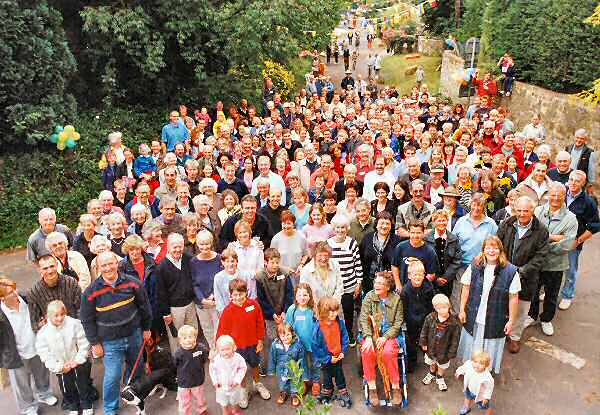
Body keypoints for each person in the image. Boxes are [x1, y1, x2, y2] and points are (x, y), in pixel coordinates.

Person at [79, 251, 152, 415]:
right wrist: (95, 343)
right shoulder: (90, 292)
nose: (108, 268)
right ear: (98, 268)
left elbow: (144, 307)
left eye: (111, 263)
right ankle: (110, 409)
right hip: (110, 342)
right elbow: (86, 320)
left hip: (134, 335)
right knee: (112, 376)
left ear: (117, 264)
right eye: (103, 265)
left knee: (136, 370)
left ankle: (133, 397)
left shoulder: (133, 283)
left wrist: (146, 329)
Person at [457, 236, 520, 374]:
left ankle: (485, 372)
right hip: (474, 315)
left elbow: (513, 298)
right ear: (483, 250)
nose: (492, 251)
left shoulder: (510, 271)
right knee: (472, 344)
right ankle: (469, 369)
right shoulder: (475, 265)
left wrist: (511, 321)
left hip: (495, 318)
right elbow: (466, 288)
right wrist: (462, 309)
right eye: (488, 248)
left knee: (489, 345)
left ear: (500, 250)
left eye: (495, 248)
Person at [496, 196, 549, 353]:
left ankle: (515, 338)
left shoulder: (541, 230)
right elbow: (497, 245)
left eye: (526, 211)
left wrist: (522, 271)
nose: (522, 214)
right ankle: (500, 333)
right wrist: (504, 267)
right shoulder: (507, 223)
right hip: (504, 273)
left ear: (533, 210)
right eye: (519, 210)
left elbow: (541, 256)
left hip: (527, 278)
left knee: (520, 309)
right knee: (501, 306)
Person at [0, 277, 59, 415]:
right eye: (10, 293)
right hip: (16, 354)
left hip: (36, 346)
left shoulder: (26, 299)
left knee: (42, 374)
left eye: (14, 289)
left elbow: (39, 315)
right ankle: (28, 407)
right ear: (2, 298)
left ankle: (44, 394)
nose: (15, 293)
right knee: (21, 384)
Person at [526, 183, 577, 336]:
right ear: (548, 195)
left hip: (556, 265)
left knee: (551, 295)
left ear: (564, 196)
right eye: (552, 195)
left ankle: (546, 319)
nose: (555, 198)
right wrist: (554, 237)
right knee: (533, 292)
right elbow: (530, 233)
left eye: (559, 195)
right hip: (536, 264)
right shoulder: (538, 211)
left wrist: (542, 243)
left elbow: (567, 244)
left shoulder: (570, 219)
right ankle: (531, 315)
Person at [216, 278, 271, 408]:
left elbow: (260, 323)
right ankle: (243, 390)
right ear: (230, 295)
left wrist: (260, 340)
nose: (238, 297)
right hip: (236, 348)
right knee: (239, 369)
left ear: (246, 292)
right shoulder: (227, 311)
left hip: (253, 344)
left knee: (255, 364)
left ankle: (257, 383)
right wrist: (218, 348)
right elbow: (222, 331)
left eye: (241, 294)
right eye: (235, 295)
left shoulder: (254, 305)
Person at [35, 300, 94, 415]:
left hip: (77, 361)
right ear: (48, 316)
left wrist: (78, 360)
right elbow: (44, 353)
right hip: (61, 365)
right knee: (66, 386)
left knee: (83, 383)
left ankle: (86, 402)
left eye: (62, 314)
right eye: (56, 316)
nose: (60, 318)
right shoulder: (43, 333)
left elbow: (84, 343)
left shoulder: (74, 324)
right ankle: (72, 405)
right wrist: (58, 366)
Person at [359, 272, 404, 406]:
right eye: (376, 282)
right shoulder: (369, 296)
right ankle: (372, 388)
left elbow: (398, 323)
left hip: (390, 334)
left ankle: (396, 387)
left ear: (388, 287)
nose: (376, 285)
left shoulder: (396, 299)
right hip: (372, 333)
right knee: (367, 351)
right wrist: (367, 337)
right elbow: (363, 318)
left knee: (387, 353)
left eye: (380, 283)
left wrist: (385, 337)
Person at [560, 170, 600, 310]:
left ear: (583, 183)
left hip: (573, 243)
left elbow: (595, 225)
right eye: (571, 179)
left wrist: (578, 241)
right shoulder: (561, 194)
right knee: (553, 267)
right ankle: (550, 290)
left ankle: (567, 295)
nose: (573, 183)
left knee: (570, 270)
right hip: (556, 240)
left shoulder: (589, 202)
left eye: (577, 181)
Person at [156, 233, 199, 353]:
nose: (178, 249)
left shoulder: (188, 258)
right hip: (174, 309)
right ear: (168, 247)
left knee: (193, 332)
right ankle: (178, 363)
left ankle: (194, 358)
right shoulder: (161, 267)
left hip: (190, 304)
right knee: (177, 337)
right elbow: (161, 292)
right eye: (174, 247)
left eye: (180, 246)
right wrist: (166, 313)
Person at [255, 248, 295, 370]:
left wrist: (285, 311)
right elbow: (261, 300)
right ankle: (276, 360)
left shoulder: (284, 274)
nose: (275, 265)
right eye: (272, 262)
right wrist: (272, 314)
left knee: (287, 336)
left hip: (284, 313)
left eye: (277, 262)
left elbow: (289, 294)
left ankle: (289, 359)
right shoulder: (259, 277)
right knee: (273, 338)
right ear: (265, 262)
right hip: (270, 315)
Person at [327, 214, 363, 346]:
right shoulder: (328, 244)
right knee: (333, 312)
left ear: (347, 228)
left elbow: (357, 264)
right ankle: (336, 335)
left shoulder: (352, 243)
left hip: (349, 285)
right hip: (334, 286)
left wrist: (359, 283)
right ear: (334, 228)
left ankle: (349, 334)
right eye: (337, 228)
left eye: (343, 227)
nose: (340, 230)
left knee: (348, 312)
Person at [311, 296, 351, 407]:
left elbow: (345, 337)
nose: (334, 313)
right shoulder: (318, 327)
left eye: (335, 310)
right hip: (326, 359)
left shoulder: (340, 322)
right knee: (327, 375)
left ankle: (343, 390)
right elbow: (315, 347)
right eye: (330, 311)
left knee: (339, 374)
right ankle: (327, 390)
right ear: (323, 312)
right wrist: (328, 358)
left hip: (338, 357)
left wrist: (343, 351)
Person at [26, 255, 82, 333]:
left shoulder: (71, 283)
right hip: (52, 336)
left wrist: (77, 328)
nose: (50, 271)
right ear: (39, 270)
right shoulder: (34, 292)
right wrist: (45, 323)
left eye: (52, 266)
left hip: (75, 330)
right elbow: (35, 325)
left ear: (57, 265)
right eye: (45, 268)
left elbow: (81, 309)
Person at [419, 294, 461, 392]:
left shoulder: (454, 323)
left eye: (444, 307)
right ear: (435, 308)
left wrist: (452, 352)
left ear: (449, 306)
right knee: (431, 361)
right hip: (431, 347)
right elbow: (424, 331)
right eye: (439, 308)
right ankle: (432, 373)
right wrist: (423, 343)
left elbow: (455, 338)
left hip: (444, 350)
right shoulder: (430, 318)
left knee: (442, 364)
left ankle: (439, 376)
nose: (442, 310)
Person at [189, 230, 222, 351]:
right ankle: (213, 350)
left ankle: (220, 351)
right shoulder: (193, 262)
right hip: (201, 303)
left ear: (212, 243)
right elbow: (194, 283)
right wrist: (202, 299)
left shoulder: (219, 258)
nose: (205, 247)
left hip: (216, 301)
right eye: (202, 244)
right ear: (197, 244)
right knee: (207, 329)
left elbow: (220, 280)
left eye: (207, 243)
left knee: (218, 329)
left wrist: (213, 296)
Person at [285, 283, 319, 396]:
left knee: (315, 364)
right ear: (295, 296)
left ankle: (316, 382)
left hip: (313, 343)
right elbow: (288, 326)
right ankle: (305, 381)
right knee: (302, 364)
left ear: (310, 296)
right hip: (299, 345)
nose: (302, 298)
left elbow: (320, 324)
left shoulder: (313, 309)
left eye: (305, 295)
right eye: (299, 295)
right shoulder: (292, 309)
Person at [400, 260, 434, 372]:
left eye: (420, 274)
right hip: (411, 320)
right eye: (415, 274)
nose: (418, 277)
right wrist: (404, 320)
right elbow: (403, 308)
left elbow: (430, 305)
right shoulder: (405, 291)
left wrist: (430, 318)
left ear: (424, 275)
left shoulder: (428, 288)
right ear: (409, 276)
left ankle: (429, 358)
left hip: (425, 318)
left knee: (426, 338)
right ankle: (412, 362)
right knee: (410, 342)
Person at [425, 210, 465, 300]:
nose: (442, 223)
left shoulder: (453, 239)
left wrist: (446, 277)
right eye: (439, 220)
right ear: (434, 222)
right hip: (431, 280)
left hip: (447, 280)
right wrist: (436, 278)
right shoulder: (426, 239)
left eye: (444, 220)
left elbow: (457, 260)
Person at [453, 194, 498, 269]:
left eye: (479, 205)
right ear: (470, 205)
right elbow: (453, 243)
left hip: (483, 264)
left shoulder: (491, 223)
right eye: (474, 205)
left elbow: (496, 245)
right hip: (462, 265)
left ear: (483, 207)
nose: (476, 208)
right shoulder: (461, 221)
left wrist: (483, 254)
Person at [391, 219, 439, 289]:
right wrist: (398, 284)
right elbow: (394, 266)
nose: (415, 236)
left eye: (418, 233)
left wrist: (418, 285)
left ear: (423, 233)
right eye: (413, 232)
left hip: (421, 289)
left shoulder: (430, 251)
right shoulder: (400, 247)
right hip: (403, 287)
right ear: (408, 232)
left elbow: (431, 275)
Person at [173, 325, 209, 415]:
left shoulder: (201, 348)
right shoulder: (178, 353)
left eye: (190, 337)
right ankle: (184, 413)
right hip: (183, 383)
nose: (188, 340)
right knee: (184, 401)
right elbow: (174, 365)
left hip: (198, 380)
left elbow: (205, 358)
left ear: (195, 337)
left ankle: (202, 410)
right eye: (184, 338)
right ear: (180, 341)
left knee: (200, 398)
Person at [267, 324, 306, 407]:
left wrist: (304, 373)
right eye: (283, 335)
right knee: (282, 382)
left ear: (292, 333)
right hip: (281, 369)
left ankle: (294, 394)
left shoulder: (298, 345)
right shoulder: (275, 345)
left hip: (294, 369)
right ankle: (283, 393)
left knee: (294, 382)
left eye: (288, 334)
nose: (286, 337)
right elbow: (272, 357)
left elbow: (302, 359)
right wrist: (271, 370)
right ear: (279, 336)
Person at [209, 335, 247, 415]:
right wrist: (215, 381)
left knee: (235, 400)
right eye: (222, 350)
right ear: (218, 350)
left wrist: (237, 380)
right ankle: (225, 412)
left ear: (234, 348)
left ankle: (235, 411)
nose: (225, 352)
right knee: (223, 402)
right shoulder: (216, 359)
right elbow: (212, 370)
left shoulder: (238, 358)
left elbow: (243, 368)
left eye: (228, 349)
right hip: (221, 387)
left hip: (234, 386)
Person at [270, 210, 309, 283]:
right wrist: (284, 269)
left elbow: (305, 254)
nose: (286, 226)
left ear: (293, 224)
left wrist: (301, 265)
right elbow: (272, 259)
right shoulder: (276, 239)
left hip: (297, 274)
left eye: (289, 223)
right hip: (281, 275)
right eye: (284, 223)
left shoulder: (301, 237)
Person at [455, 351, 495, 415]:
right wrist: (459, 372)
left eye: (481, 363)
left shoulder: (487, 377)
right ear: (472, 360)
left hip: (480, 394)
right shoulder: (469, 364)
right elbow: (463, 368)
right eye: (475, 361)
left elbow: (489, 388)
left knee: (486, 406)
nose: (477, 365)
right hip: (469, 388)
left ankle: (489, 413)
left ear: (486, 365)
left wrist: (486, 397)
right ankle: (466, 407)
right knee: (467, 397)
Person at [566, 128, 597, 194]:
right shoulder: (568, 148)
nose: (579, 140)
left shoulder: (590, 152)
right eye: (577, 137)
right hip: (567, 180)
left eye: (581, 138)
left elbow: (591, 171)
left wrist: (590, 185)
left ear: (585, 140)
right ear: (574, 137)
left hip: (580, 183)